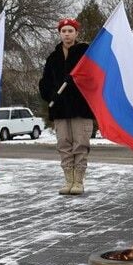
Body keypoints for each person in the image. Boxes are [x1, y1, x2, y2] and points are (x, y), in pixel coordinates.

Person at [39, 18, 95, 195]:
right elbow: (44, 82)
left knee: (80, 144)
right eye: (64, 31)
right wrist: (50, 95)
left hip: (80, 108)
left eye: (70, 31)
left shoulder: (85, 54)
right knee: (63, 144)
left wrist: (77, 82)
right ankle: (68, 179)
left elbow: (94, 78)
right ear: (59, 33)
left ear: (77, 33)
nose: (67, 34)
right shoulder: (53, 57)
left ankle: (78, 180)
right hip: (60, 109)